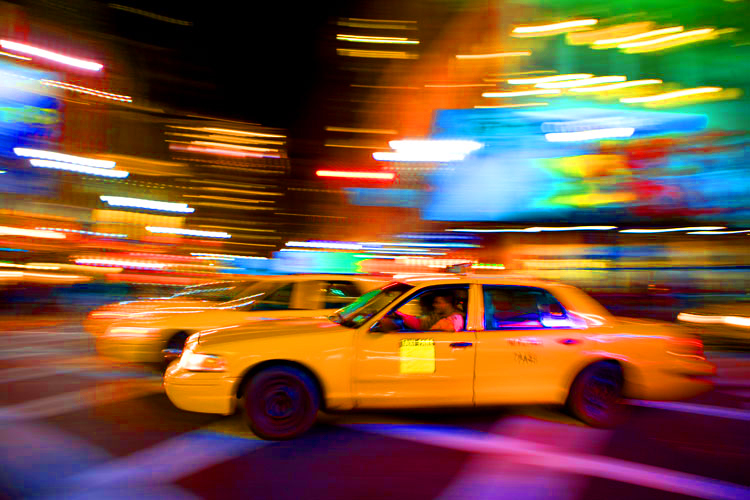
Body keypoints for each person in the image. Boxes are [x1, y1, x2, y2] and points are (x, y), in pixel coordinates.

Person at [394, 292, 464, 332]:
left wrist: (401, 315)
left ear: (448, 304)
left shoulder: (453, 320)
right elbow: (422, 323)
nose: (434, 305)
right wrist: (401, 315)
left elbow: (422, 326)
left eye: (437, 302)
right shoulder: (439, 316)